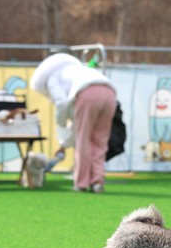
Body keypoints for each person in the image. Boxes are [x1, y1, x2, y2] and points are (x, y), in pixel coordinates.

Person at [30, 52, 117, 193]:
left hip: (87, 93)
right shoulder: (79, 71)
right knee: (100, 141)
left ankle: (81, 183)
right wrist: (64, 145)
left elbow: (62, 103)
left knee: (83, 141)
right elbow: (76, 123)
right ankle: (97, 181)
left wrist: (61, 125)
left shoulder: (52, 78)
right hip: (110, 93)